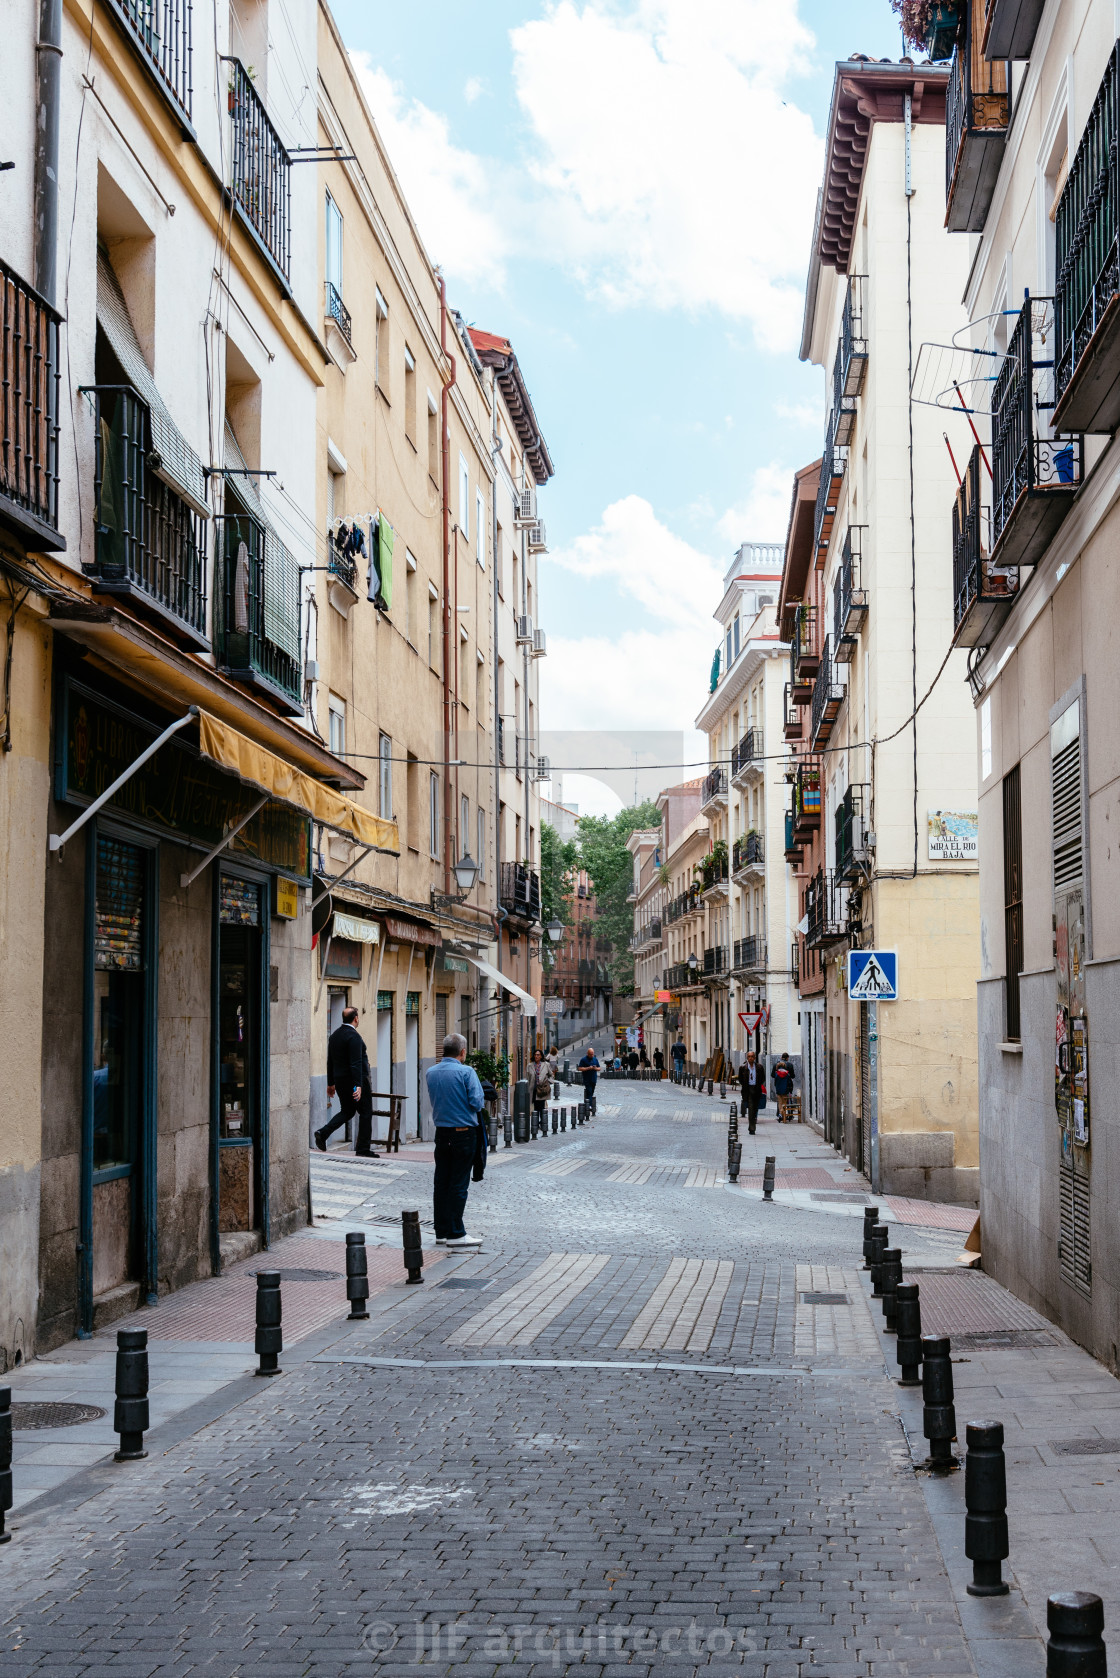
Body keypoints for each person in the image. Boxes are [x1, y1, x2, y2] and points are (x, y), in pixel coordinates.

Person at [426, 1032, 486, 1247]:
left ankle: (441, 1231)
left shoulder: (431, 1072)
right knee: (459, 1183)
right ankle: (456, 1233)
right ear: (463, 1052)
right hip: (463, 1133)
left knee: (441, 1182)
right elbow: (477, 1103)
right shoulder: (466, 1072)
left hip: (441, 1134)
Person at [316, 1006, 379, 1157]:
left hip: (340, 1081)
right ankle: (363, 1148)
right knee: (365, 1112)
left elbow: (330, 1061)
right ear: (356, 1018)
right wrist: (358, 1085)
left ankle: (323, 1133)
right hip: (355, 1081)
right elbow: (356, 1063)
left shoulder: (335, 1036)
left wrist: (331, 1083)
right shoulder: (354, 1037)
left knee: (347, 1111)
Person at [737, 1049, 766, 1135]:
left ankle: (752, 1126)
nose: (750, 1058)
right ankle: (752, 1128)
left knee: (755, 1109)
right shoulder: (742, 1068)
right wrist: (746, 1086)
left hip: (756, 1089)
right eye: (749, 1057)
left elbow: (762, 1078)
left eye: (752, 1057)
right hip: (748, 1090)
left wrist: (757, 1085)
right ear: (747, 1058)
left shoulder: (759, 1067)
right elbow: (740, 1079)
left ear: (755, 1057)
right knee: (750, 1108)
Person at [529, 1048, 552, 1131]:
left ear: (541, 1056)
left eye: (538, 1055)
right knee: (535, 1107)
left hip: (542, 1089)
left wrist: (548, 1082)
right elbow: (528, 1077)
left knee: (541, 1106)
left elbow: (551, 1074)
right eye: (535, 1055)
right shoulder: (530, 1065)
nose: (536, 1056)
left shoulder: (546, 1065)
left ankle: (543, 1123)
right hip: (534, 1089)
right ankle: (536, 1123)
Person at [772, 1053, 795, 1122]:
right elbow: (793, 1076)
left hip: (779, 1088)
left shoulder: (775, 1065)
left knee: (780, 1102)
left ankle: (780, 1114)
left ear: (781, 1057)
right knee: (787, 1101)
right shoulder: (790, 1066)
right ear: (787, 1058)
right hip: (786, 1087)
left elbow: (773, 1075)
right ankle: (789, 1114)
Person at [578, 1046, 600, 1114]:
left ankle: (587, 1104)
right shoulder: (583, 1059)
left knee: (591, 1092)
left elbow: (599, 1068)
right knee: (589, 1091)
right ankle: (590, 1106)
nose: (592, 1055)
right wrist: (588, 1068)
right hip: (587, 1079)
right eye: (590, 1054)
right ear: (587, 1053)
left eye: (593, 1054)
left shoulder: (595, 1059)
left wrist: (595, 1068)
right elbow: (580, 1068)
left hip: (593, 1078)